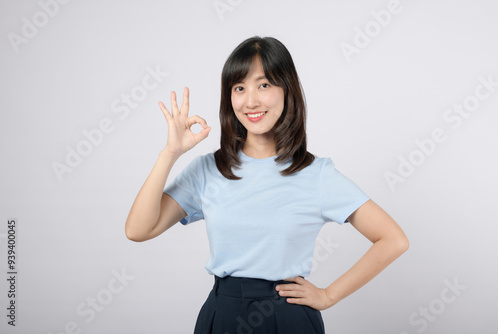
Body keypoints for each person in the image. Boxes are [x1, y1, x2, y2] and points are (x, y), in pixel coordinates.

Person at [125, 36, 409, 334]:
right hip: (222, 315)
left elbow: (393, 239)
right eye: (239, 87)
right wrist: (170, 153)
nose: (251, 101)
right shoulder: (209, 170)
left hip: (287, 318)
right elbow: (138, 230)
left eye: (264, 85)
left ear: (287, 89)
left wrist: (328, 295)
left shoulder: (316, 174)